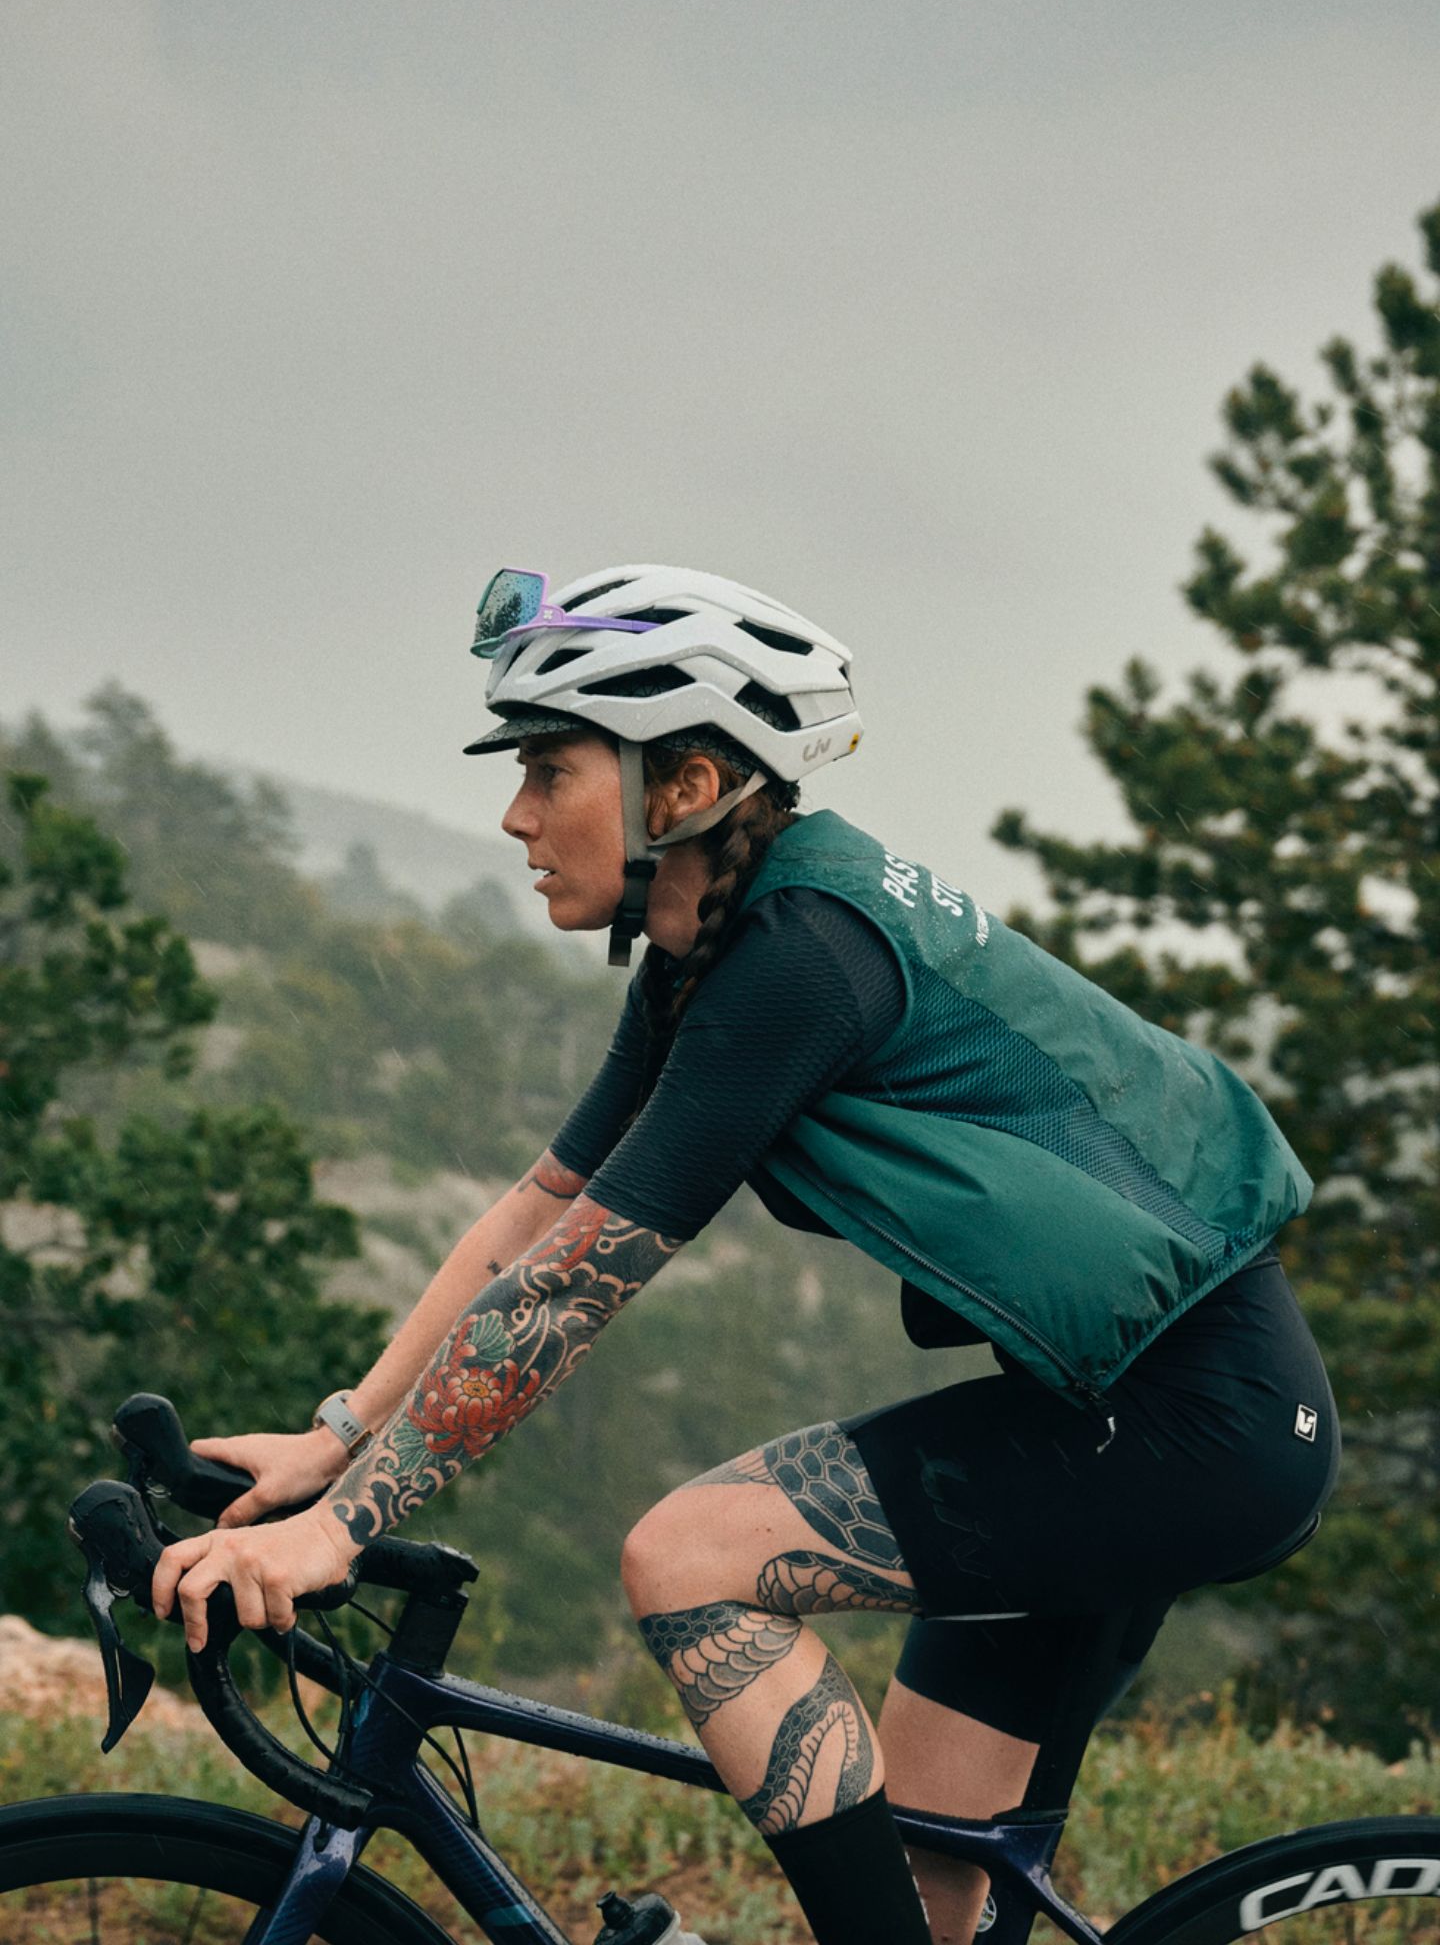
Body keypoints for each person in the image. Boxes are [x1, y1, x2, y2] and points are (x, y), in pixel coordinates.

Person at [154, 565, 1339, 1945]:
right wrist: (340, 1439)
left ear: (689, 784)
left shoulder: (798, 958)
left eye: (550, 770)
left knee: (689, 1555)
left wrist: (340, 1531)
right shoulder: (708, 946)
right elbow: (535, 1216)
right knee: (930, 1898)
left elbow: (568, 1288)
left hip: (1194, 1427)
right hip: (1130, 1415)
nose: (517, 815)